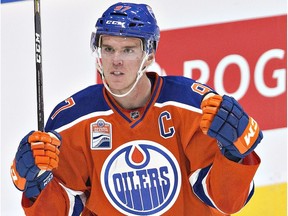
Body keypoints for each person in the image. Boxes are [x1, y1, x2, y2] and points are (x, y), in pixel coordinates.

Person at [10, 2, 263, 216]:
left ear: (150, 55)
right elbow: (60, 210)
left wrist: (233, 156)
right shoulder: (71, 121)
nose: (115, 60)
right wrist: (36, 184)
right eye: (108, 49)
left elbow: (225, 202)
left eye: (128, 50)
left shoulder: (191, 107)